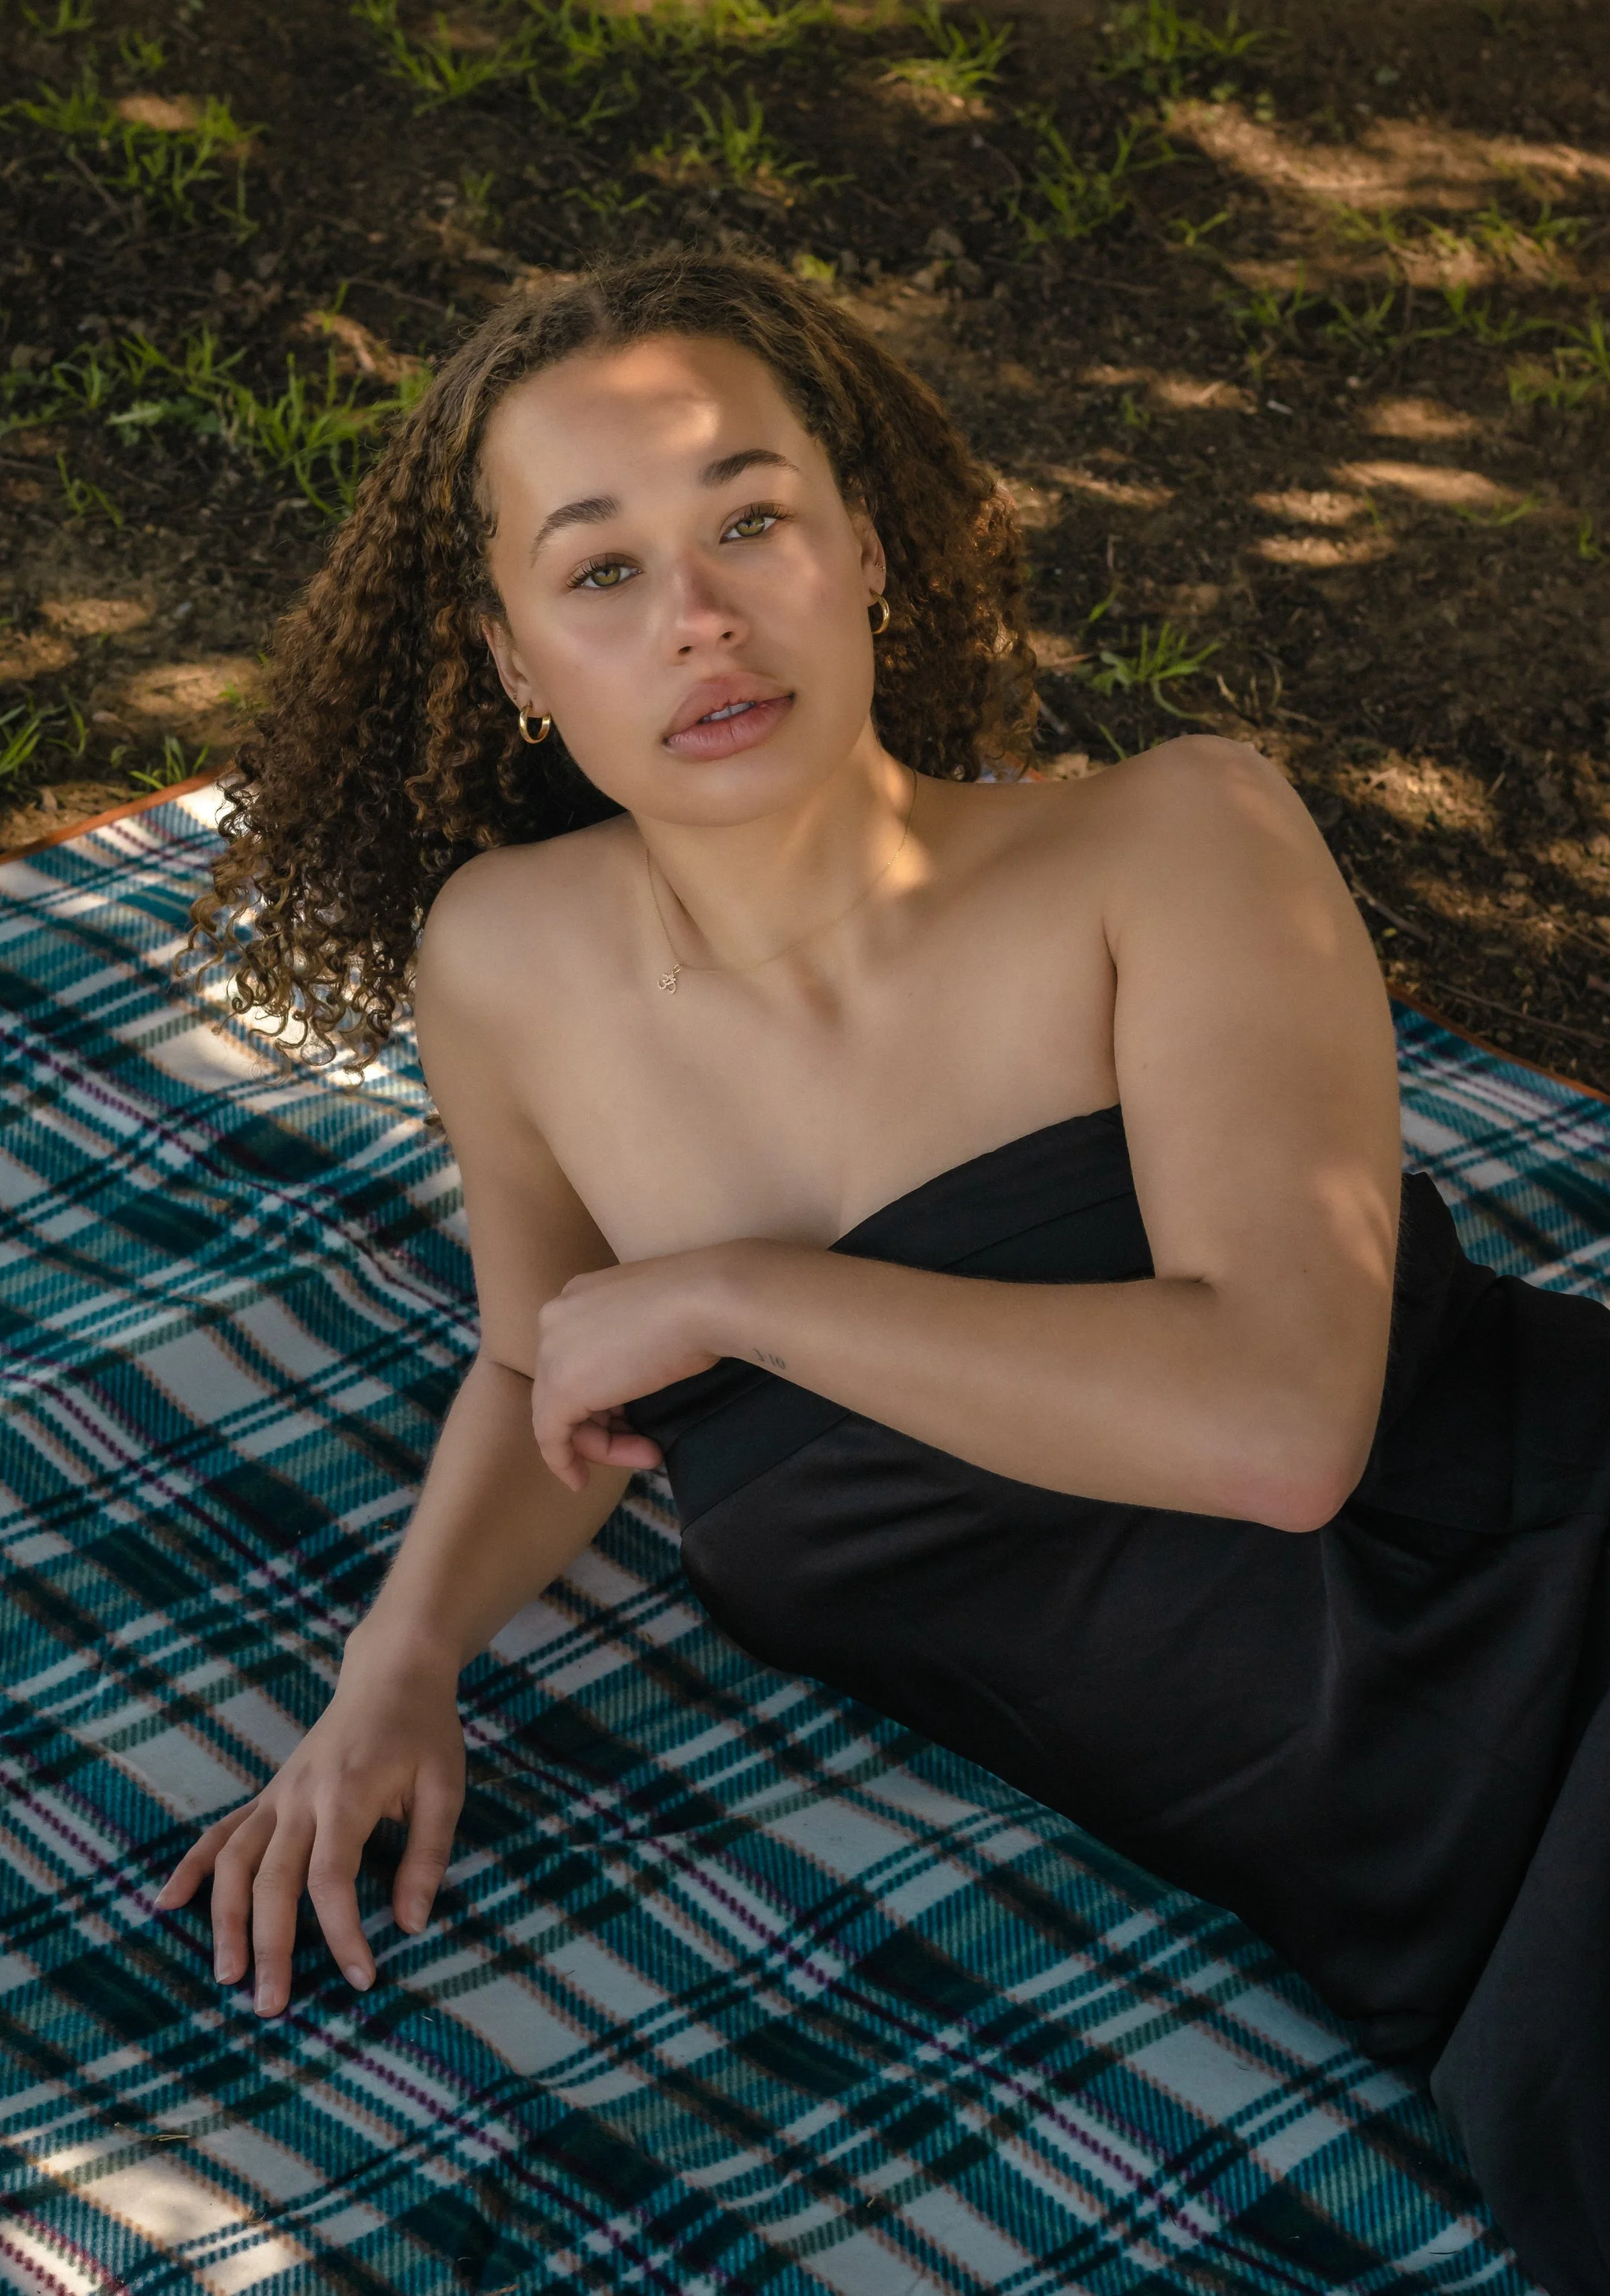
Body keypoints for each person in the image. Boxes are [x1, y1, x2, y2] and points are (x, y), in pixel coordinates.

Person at [159, 249, 1610, 2295]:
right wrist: (394, 1674)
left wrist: (736, 1294)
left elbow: (1280, 1427)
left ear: (865, 554)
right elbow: (548, 1367)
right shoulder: (508, 963)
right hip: (1419, 1900)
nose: (700, 616)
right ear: (508, 656)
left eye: (751, 520)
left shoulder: (1172, 838)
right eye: (602, 570)